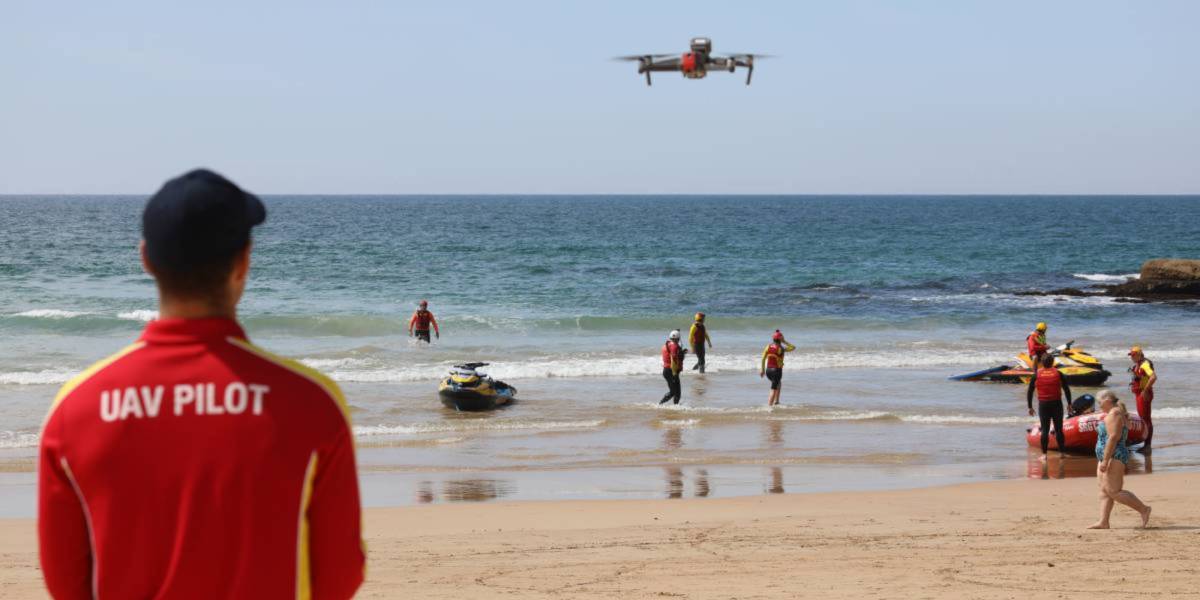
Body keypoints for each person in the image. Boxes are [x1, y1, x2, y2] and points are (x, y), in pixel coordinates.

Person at [38, 169, 365, 599]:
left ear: (146, 259)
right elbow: (339, 575)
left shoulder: (75, 410)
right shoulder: (312, 404)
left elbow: (66, 583)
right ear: (244, 261)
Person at [1088, 390, 1152, 529]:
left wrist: (1105, 460)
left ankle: (1144, 509)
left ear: (1107, 400)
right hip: (1106, 455)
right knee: (1104, 490)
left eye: (1100, 402)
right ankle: (1103, 521)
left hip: (1113, 455)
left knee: (1113, 491)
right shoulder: (1115, 412)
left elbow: (1114, 437)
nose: (1098, 405)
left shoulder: (1115, 413)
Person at [1026, 353, 1073, 461]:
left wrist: (1030, 406)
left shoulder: (1036, 374)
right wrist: (1069, 404)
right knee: (1059, 430)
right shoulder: (1059, 373)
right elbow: (1066, 389)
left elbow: (1030, 391)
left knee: (1045, 430)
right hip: (1057, 404)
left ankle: (1044, 455)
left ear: (1042, 363)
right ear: (1052, 362)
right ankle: (1062, 453)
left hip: (1044, 405)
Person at [1128, 346, 1157, 454]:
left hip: (1144, 394)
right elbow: (1140, 378)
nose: (1132, 357)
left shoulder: (1145, 364)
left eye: (1134, 355)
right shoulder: (1138, 364)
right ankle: (1146, 444)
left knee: (1146, 420)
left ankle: (1147, 446)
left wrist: (1145, 390)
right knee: (1143, 419)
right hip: (1139, 394)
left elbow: (1153, 377)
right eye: (1131, 355)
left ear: (1140, 354)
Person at [759, 330, 796, 406]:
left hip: (768, 371)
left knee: (778, 383)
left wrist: (762, 369)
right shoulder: (781, 348)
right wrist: (784, 341)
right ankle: (769, 407)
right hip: (776, 371)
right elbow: (793, 347)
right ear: (780, 339)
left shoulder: (768, 346)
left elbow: (763, 358)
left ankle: (777, 401)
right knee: (773, 389)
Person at [660, 329, 686, 405]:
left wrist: (681, 352)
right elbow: (674, 358)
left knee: (673, 391)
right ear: (678, 338)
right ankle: (662, 405)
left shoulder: (666, 345)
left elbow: (671, 355)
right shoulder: (674, 346)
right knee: (676, 393)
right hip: (672, 371)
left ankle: (662, 405)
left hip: (667, 371)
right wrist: (674, 373)